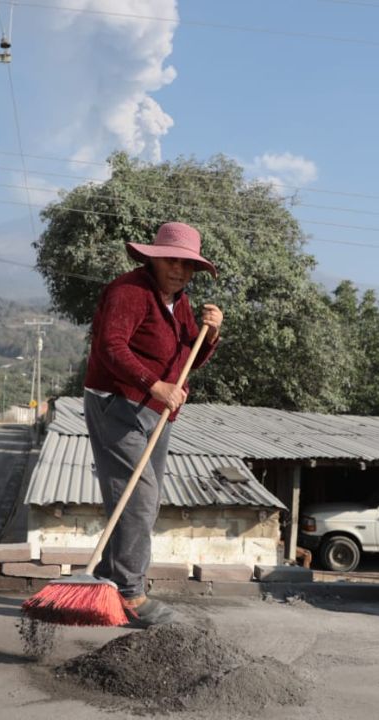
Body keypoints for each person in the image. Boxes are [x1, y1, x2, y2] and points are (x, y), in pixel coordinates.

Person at [83, 221, 224, 628]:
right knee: (138, 498)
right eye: (172, 262)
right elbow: (110, 347)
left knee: (140, 499)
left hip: (156, 410)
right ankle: (130, 594)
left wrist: (210, 336)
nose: (180, 271)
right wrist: (154, 384)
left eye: (188, 266)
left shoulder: (178, 304)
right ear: (154, 259)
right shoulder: (129, 292)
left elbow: (188, 361)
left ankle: (111, 581)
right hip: (118, 405)